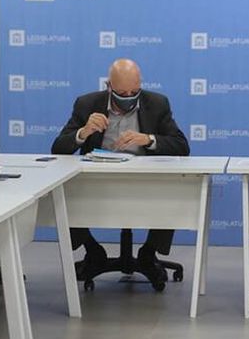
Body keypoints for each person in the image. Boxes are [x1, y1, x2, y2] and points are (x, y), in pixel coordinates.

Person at [51, 58, 190, 286]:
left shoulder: (156, 103)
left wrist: (149, 139)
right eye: (121, 93)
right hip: (97, 181)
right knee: (63, 192)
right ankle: (92, 250)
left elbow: (182, 146)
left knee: (174, 188)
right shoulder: (87, 104)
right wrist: (83, 132)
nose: (128, 97)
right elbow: (58, 148)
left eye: (134, 91)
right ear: (109, 86)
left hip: (146, 181)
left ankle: (149, 252)